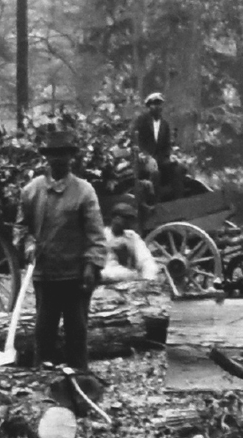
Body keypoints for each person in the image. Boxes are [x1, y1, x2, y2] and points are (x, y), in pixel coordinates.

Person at [12, 126, 108, 372]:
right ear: (47, 157)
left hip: (75, 276)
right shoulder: (31, 191)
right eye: (54, 154)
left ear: (71, 157)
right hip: (45, 276)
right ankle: (44, 380)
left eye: (64, 154)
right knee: (44, 331)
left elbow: (95, 233)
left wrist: (91, 266)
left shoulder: (85, 192)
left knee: (77, 331)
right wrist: (29, 244)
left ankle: (80, 379)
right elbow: (21, 229)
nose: (59, 159)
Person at [104, 198, 159, 284]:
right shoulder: (103, 236)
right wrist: (129, 274)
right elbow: (106, 268)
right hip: (109, 276)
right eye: (125, 219)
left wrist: (148, 278)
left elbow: (145, 258)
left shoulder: (132, 236)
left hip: (131, 279)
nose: (128, 223)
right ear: (115, 218)